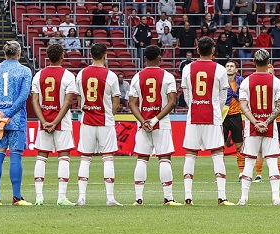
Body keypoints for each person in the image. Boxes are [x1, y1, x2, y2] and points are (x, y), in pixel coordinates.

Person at [181, 36, 235, 206]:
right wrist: (215, 110)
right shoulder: (220, 70)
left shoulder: (187, 69)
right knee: (218, 155)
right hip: (213, 117)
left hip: (194, 116)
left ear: (197, 50)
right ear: (213, 50)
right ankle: (222, 197)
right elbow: (223, 96)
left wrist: (194, 106)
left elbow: (186, 94)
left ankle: (188, 197)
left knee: (190, 155)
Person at [128, 45, 181, 206]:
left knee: (142, 158)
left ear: (145, 58)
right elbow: (172, 102)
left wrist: (143, 121)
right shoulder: (167, 76)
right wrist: (155, 120)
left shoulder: (137, 77)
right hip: (161, 123)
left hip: (143, 124)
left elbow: (132, 103)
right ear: (160, 58)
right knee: (164, 158)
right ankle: (168, 198)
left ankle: (138, 199)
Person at [0, 41, 32, 206]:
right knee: (15, 156)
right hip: (16, 119)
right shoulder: (24, 71)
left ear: (5, 53)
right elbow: (23, 96)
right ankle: (16, 197)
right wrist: (8, 113)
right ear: (18, 53)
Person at [75, 43, 122, 206]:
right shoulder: (111, 75)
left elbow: (79, 99)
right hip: (105, 121)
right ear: (105, 56)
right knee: (108, 158)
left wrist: (86, 110)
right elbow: (116, 101)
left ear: (90, 55)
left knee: (85, 159)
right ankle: (109, 198)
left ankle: (81, 197)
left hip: (87, 120)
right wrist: (110, 114)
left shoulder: (81, 74)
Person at [237, 49, 280, 206]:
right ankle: (276, 197)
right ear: (268, 62)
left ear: (254, 62)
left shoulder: (246, 81)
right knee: (272, 160)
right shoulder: (276, 81)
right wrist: (267, 122)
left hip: (251, 127)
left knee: (249, 160)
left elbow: (243, 106)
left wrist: (255, 122)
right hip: (270, 127)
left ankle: (244, 197)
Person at [30, 44, 77, 206]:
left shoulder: (38, 75)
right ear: (62, 56)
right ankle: (61, 197)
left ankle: (39, 197)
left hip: (44, 122)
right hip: (62, 122)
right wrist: (55, 121)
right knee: (63, 157)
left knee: (42, 156)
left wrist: (44, 121)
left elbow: (35, 100)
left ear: (48, 57)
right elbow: (68, 102)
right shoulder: (68, 76)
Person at [222, 61, 245, 180]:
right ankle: (221, 173)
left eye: (232, 66)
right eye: (227, 66)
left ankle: (241, 172)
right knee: (221, 146)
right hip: (223, 116)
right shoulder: (220, 81)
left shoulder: (241, 81)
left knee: (239, 145)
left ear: (236, 70)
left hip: (236, 115)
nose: (229, 68)